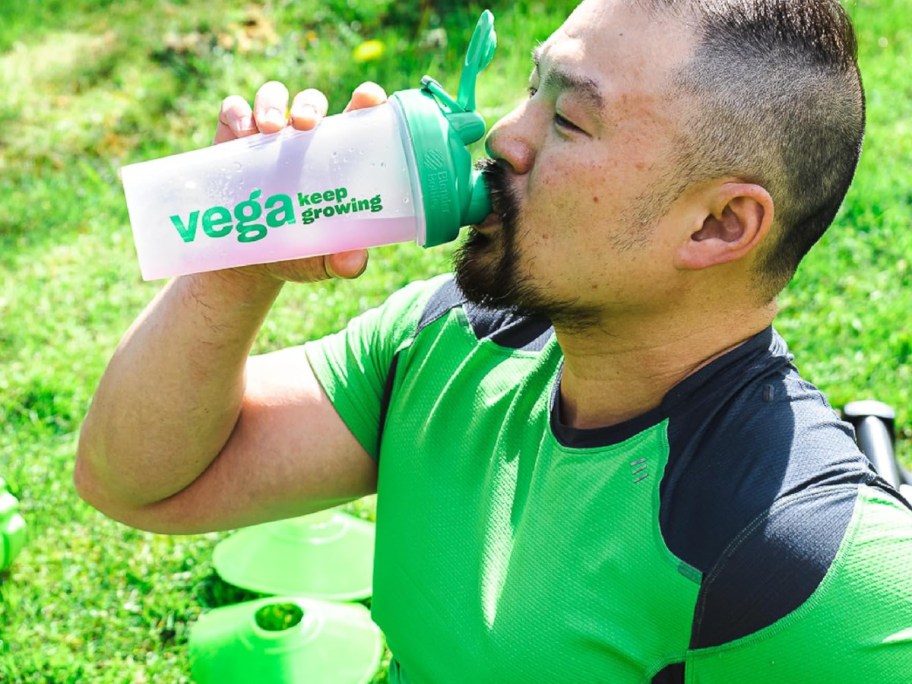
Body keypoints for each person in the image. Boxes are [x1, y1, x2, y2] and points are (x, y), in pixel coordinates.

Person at [77, 0, 912, 681]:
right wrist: (238, 264)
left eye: (571, 121)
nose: (507, 135)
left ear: (720, 223)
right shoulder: (448, 339)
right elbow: (140, 484)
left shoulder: (803, 560)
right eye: (529, 87)